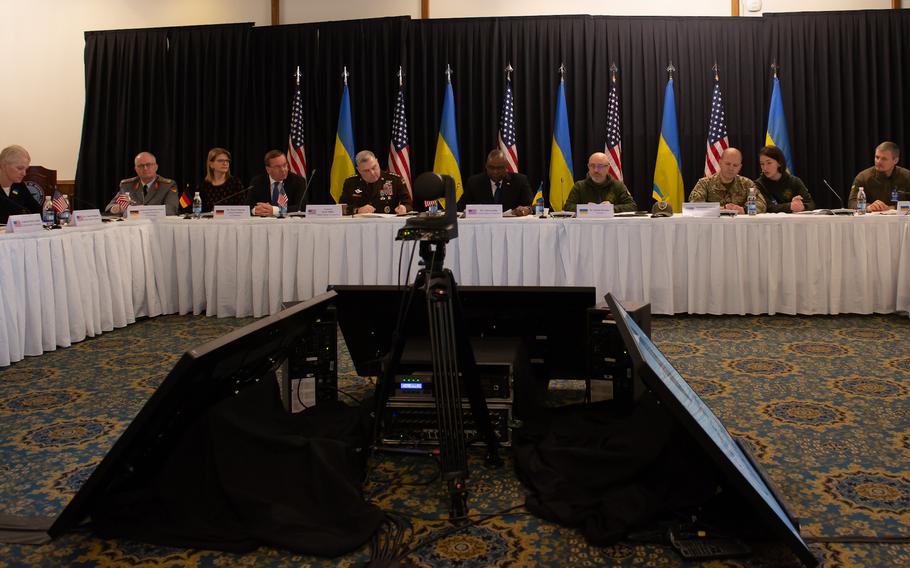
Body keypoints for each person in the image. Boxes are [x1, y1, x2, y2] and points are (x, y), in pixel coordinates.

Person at [689, 147, 766, 214]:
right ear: (720, 163)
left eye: (735, 165)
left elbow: (761, 204)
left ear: (740, 167)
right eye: (728, 164)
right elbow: (694, 206)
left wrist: (744, 210)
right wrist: (721, 209)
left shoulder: (747, 184)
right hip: (712, 228)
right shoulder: (704, 183)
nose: (731, 168)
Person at [458, 149, 532, 215]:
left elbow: (530, 206)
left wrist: (526, 210)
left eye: (499, 168)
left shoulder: (519, 181)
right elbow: (460, 207)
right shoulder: (474, 182)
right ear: (486, 166)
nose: (495, 171)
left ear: (506, 167)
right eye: (491, 167)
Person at [105, 151, 179, 216]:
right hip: (132, 226)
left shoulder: (168, 185)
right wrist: (116, 209)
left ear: (156, 167)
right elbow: (109, 207)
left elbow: (171, 209)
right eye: (141, 166)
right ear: (136, 169)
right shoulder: (127, 185)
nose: (145, 168)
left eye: (149, 164)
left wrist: (141, 211)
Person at [563, 152, 637, 213]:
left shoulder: (618, 186)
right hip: (586, 226)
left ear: (608, 167)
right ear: (588, 167)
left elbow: (632, 206)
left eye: (600, 166)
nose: (596, 170)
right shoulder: (579, 186)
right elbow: (567, 207)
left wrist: (611, 208)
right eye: (592, 166)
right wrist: (586, 208)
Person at [339, 151, 410, 214]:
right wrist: (358, 210)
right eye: (366, 171)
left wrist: (404, 208)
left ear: (377, 162)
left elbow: (408, 204)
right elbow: (341, 208)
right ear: (359, 170)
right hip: (359, 225)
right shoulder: (351, 183)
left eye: (374, 167)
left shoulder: (394, 180)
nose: (372, 173)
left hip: (388, 224)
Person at [848, 141, 910, 212]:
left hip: (901, 221)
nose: (878, 161)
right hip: (871, 221)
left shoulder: (907, 176)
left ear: (895, 160)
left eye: (884, 159)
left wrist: (892, 208)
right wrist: (868, 207)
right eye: (877, 157)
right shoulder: (863, 177)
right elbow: (851, 203)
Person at [753, 145, 814, 213]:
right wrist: (790, 206)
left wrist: (802, 206)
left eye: (769, 163)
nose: (765, 168)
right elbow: (767, 207)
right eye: (762, 164)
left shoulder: (794, 181)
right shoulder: (759, 184)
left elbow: (811, 204)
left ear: (779, 163)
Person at [247, 150, 307, 217]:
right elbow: (248, 206)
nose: (283, 170)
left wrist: (275, 211)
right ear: (268, 169)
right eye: (278, 167)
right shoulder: (257, 182)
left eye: (285, 165)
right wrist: (255, 210)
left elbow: (301, 207)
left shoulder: (298, 181)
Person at [0, 145, 41, 223]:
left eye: (26, 169)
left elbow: (37, 212)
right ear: (3, 165)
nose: (24, 173)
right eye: (19, 168)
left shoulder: (19, 186)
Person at [198, 147, 245, 212]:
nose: (225, 163)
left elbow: (241, 208)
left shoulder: (235, 183)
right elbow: (199, 209)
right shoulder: (203, 186)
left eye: (227, 161)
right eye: (220, 161)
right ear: (211, 164)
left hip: (231, 221)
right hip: (208, 221)